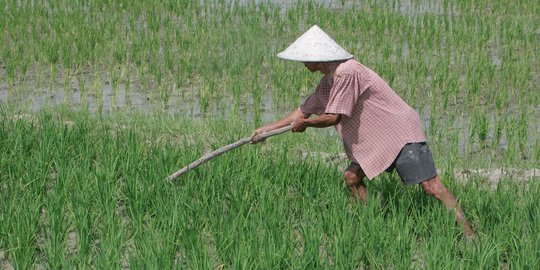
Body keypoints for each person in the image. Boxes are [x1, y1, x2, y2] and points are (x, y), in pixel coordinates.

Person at [250, 25, 475, 239]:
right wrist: (265, 130)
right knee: (351, 177)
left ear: (316, 56)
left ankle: (470, 235)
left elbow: (333, 117)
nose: (302, 64)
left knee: (431, 186)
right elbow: (302, 112)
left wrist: (306, 125)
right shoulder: (328, 81)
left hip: (399, 131)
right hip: (379, 138)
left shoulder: (347, 72)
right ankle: (375, 228)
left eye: (303, 59)